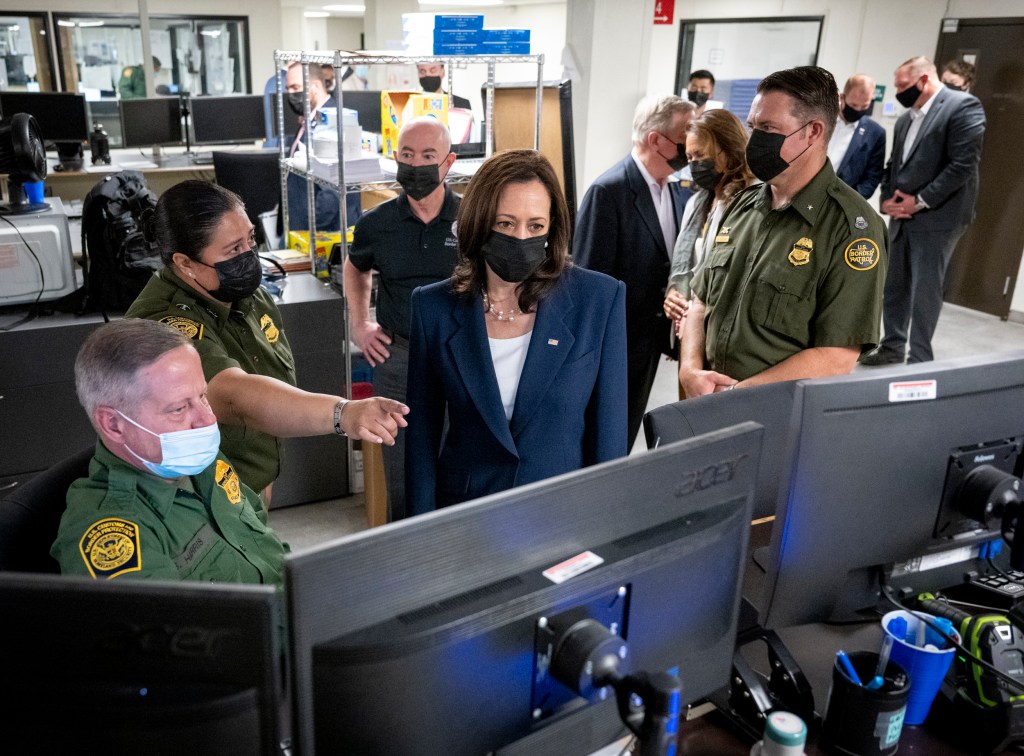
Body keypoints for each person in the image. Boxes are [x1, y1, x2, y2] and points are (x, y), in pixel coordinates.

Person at [125, 180, 408, 499]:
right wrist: (342, 414)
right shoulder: (165, 326)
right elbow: (233, 396)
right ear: (185, 263)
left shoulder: (243, 293)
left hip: (250, 478)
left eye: (250, 240)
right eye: (233, 249)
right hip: (198, 496)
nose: (249, 257)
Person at [405, 149, 627, 516]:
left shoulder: (598, 300)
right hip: (466, 513)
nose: (521, 237)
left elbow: (610, 437)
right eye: (506, 224)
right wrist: (419, 537)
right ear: (480, 223)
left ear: (551, 228)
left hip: (564, 514)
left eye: (535, 226)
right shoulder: (433, 308)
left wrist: (604, 527)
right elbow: (421, 442)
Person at [679, 66, 888, 398]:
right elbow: (700, 301)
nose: (754, 140)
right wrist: (690, 371)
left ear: (813, 132)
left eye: (768, 128)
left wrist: (735, 393)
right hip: (705, 399)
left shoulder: (851, 229)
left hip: (775, 414)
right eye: (752, 127)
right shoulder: (742, 205)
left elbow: (836, 358)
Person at [51, 319, 289, 584]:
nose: (207, 420)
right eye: (178, 409)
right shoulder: (113, 532)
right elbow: (167, 625)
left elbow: (268, 547)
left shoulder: (199, 460)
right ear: (114, 424)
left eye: (202, 397)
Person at [344, 117, 460, 521]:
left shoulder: (474, 218)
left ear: (448, 163)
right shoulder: (376, 224)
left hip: (460, 358)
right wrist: (361, 325)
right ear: (395, 158)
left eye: (428, 156)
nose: (416, 164)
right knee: (403, 471)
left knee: (461, 458)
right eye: (407, 155)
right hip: (399, 358)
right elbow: (355, 268)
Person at [573, 95, 694, 444]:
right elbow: (588, 281)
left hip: (649, 342)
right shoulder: (608, 192)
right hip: (614, 346)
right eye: (685, 136)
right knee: (603, 437)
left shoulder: (675, 192)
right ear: (656, 139)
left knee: (625, 432)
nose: (691, 146)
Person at [861, 56, 986, 366]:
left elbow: (962, 166)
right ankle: (892, 348)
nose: (898, 91)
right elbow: (895, 164)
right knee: (895, 284)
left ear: (925, 80)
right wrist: (888, 199)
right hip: (902, 213)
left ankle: (919, 358)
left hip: (939, 215)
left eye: (903, 85)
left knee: (925, 289)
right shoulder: (906, 118)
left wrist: (919, 201)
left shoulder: (963, 106)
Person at [662, 109, 757, 391]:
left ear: (727, 150)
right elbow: (685, 263)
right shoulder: (696, 203)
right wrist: (673, 293)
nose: (694, 164)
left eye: (701, 156)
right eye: (690, 158)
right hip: (689, 333)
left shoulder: (752, 200)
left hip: (724, 334)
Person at [284, 61, 360, 232]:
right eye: (288, 89)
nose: (290, 94)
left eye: (296, 88)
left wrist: (311, 228)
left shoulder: (335, 120)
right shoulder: (310, 118)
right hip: (303, 225)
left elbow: (333, 190)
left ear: (316, 86)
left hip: (325, 230)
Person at [828, 74, 886, 199]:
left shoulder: (876, 133)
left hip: (841, 201)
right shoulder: (823, 119)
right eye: (854, 105)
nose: (858, 110)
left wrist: (849, 202)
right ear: (842, 97)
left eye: (864, 106)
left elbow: (872, 177)